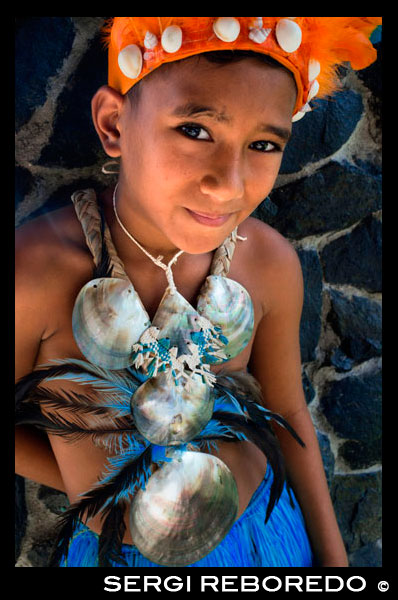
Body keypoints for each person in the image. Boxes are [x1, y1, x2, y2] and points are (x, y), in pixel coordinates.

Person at [15, 17, 381, 568]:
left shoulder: (269, 264)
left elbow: (286, 412)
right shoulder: (38, 273)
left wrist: (334, 565)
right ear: (114, 124)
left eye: (261, 144)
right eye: (195, 130)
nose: (229, 183)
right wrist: (90, 481)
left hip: (268, 537)